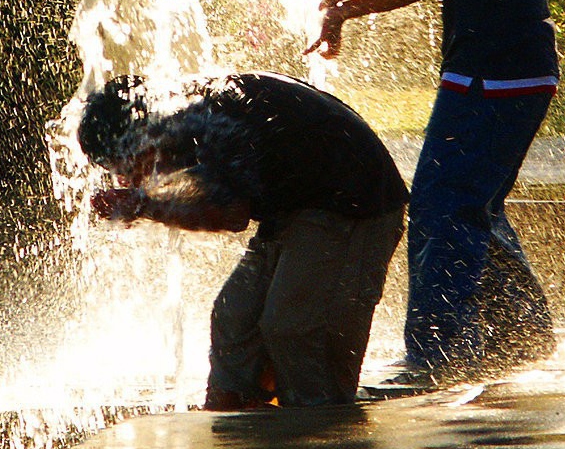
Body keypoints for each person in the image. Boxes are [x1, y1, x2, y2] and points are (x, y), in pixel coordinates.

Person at [295, 0, 559, 386]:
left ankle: (434, 355)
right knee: (474, 204)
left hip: (492, 79)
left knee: (445, 206)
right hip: (509, 74)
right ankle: (523, 334)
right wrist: (340, 1)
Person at [78, 71, 407, 409]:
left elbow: (229, 214)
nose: (124, 176)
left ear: (141, 135)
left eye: (123, 162)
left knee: (293, 326)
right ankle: (236, 409)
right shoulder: (185, 113)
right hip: (300, 205)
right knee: (232, 318)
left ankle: (319, 434)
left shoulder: (208, 124)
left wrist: (144, 206)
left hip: (355, 205)